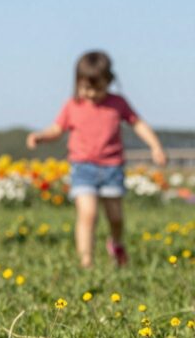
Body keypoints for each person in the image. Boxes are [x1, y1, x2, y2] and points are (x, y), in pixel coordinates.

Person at [27, 51, 165, 268]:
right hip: (83, 167)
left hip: (112, 168)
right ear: (77, 83)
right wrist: (41, 136)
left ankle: (116, 243)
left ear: (108, 81)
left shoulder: (117, 103)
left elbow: (138, 124)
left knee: (116, 217)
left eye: (97, 88)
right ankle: (86, 261)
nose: (90, 93)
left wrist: (155, 146)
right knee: (87, 214)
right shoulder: (72, 105)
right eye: (85, 88)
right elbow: (57, 129)